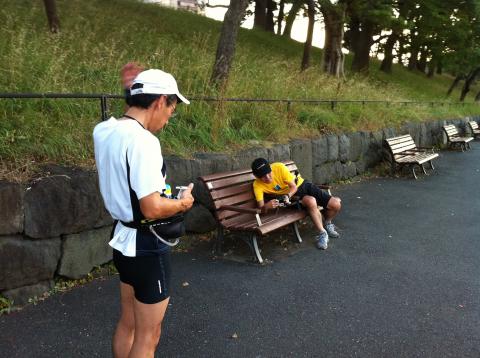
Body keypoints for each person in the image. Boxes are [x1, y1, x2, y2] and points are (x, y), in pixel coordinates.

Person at [93, 68, 194, 358]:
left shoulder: (105, 130)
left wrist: (132, 89)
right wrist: (183, 204)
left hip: (122, 238)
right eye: (172, 108)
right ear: (161, 101)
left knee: (128, 323)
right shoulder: (144, 141)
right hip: (147, 245)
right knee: (149, 335)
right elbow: (152, 207)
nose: (169, 117)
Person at [251, 158, 341, 250]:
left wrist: (287, 196)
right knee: (311, 201)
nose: (267, 177)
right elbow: (261, 209)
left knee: (336, 204)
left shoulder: (278, 167)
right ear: (256, 176)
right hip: (294, 198)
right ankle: (322, 233)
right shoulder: (257, 185)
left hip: (302, 186)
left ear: (270, 167)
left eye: (268, 172)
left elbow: (293, 187)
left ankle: (327, 222)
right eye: (263, 176)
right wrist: (267, 206)